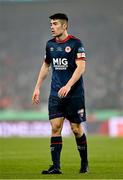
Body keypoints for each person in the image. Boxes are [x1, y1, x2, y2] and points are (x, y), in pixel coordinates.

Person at [32, 13, 88, 174]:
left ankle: (84, 162)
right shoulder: (49, 45)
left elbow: (81, 67)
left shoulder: (76, 43)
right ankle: (56, 167)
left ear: (64, 26)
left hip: (75, 94)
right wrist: (37, 87)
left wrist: (69, 85)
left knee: (76, 129)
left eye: (55, 24)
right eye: (51, 24)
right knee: (55, 127)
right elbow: (45, 66)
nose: (52, 27)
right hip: (56, 93)